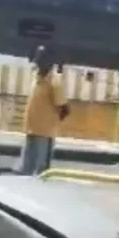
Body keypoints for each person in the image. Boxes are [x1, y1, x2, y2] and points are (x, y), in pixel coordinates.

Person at [18, 45, 70, 175]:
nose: (38, 61)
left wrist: (51, 124)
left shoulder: (55, 81)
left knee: (41, 172)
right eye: (38, 57)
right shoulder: (36, 78)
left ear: (49, 61)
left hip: (44, 135)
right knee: (26, 169)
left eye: (42, 58)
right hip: (31, 131)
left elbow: (64, 108)